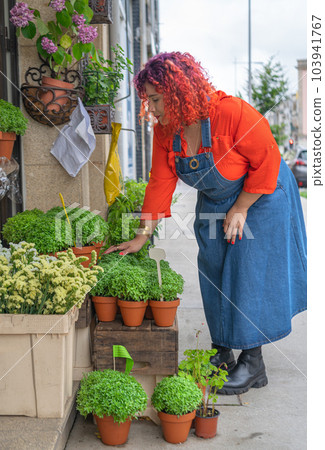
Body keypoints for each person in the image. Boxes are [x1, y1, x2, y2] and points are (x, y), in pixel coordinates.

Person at [105, 52, 307, 395]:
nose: (151, 109)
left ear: (178, 90)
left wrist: (241, 208)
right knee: (212, 267)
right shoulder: (167, 131)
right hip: (217, 199)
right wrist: (142, 236)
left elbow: (269, 160)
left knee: (246, 270)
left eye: (155, 99)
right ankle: (223, 352)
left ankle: (253, 363)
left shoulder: (231, 113)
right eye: (147, 101)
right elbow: (159, 182)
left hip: (262, 194)